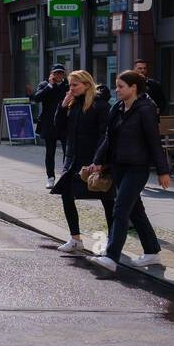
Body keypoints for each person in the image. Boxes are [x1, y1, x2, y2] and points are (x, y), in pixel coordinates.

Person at [82, 69, 171, 272]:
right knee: (136, 210)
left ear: (134, 88)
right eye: (117, 85)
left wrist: (163, 171)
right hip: (118, 166)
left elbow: (154, 142)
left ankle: (111, 257)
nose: (117, 90)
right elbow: (108, 137)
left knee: (120, 210)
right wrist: (97, 160)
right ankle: (152, 252)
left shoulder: (146, 109)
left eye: (121, 86)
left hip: (137, 168)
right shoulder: (119, 107)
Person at [50, 71, 114, 254]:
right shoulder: (73, 104)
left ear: (86, 84)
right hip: (73, 159)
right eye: (70, 85)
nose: (71, 89)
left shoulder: (100, 106)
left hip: (94, 160)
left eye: (75, 85)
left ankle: (112, 240)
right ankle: (75, 239)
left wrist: (99, 160)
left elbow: (106, 135)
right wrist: (62, 107)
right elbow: (59, 128)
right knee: (67, 196)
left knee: (106, 198)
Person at [31, 65, 69, 189]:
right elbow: (36, 98)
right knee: (50, 152)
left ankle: (65, 176)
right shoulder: (44, 85)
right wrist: (50, 86)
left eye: (61, 73)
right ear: (52, 74)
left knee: (67, 151)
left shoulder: (67, 85)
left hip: (64, 123)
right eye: (56, 73)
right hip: (49, 123)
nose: (58, 75)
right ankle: (50, 177)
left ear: (64, 74)